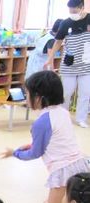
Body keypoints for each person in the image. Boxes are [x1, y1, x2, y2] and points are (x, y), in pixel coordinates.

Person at [1, 71, 89, 203]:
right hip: (79, 165)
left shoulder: (42, 121)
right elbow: (54, 141)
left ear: (39, 97)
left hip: (63, 171)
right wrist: (30, 145)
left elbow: (34, 153)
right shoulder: (63, 112)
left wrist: (14, 152)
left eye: (28, 93)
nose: (27, 97)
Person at [45, 0, 90, 128]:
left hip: (87, 63)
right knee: (66, 93)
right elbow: (58, 41)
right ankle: (63, 117)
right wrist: (50, 57)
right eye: (70, 11)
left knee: (85, 93)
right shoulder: (66, 23)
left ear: (81, 7)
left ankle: (81, 118)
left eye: (74, 10)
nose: (71, 13)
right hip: (69, 63)